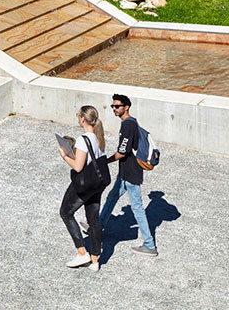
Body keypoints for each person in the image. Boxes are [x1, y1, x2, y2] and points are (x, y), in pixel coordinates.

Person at [99, 92, 158, 256]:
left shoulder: (128, 125)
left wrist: (104, 161)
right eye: (113, 106)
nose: (114, 109)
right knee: (112, 197)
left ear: (127, 107)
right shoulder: (129, 123)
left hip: (131, 173)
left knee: (137, 208)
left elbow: (122, 152)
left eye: (117, 106)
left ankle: (149, 245)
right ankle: (97, 226)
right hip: (125, 172)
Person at [58, 104, 107, 272]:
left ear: (83, 119)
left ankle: (82, 252)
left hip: (85, 183)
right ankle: (95, 261)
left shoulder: (82, 140)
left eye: (78, 115)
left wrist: (65, 156)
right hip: (97, 183)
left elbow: (78, 167)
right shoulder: (99, 137)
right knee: (93, 219)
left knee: (66, 212)